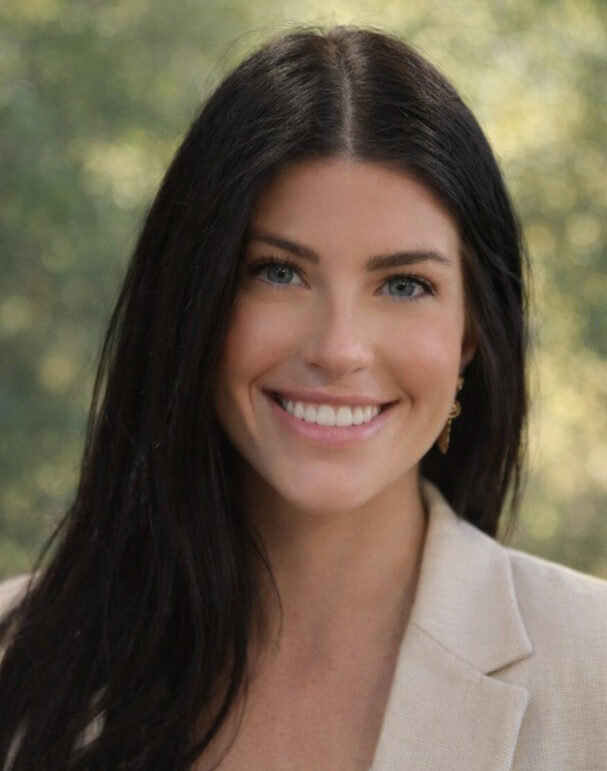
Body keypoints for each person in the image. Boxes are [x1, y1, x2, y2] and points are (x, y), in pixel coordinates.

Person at [0, 25, 606, 771]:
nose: (338, 348)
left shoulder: (593, 670)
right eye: (278, 272)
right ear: (192, 298)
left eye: (404, 284)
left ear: (471, 333)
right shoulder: (18, 664)